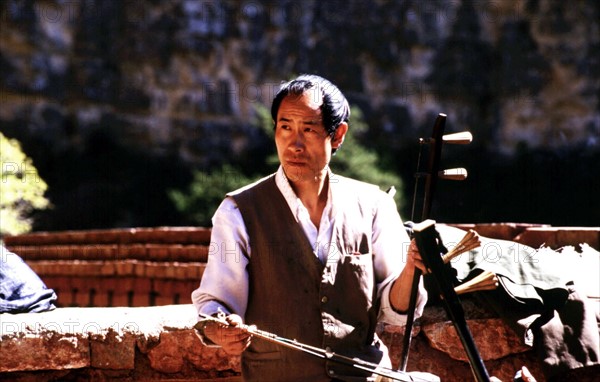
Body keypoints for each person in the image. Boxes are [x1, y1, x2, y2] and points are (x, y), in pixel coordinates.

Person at [191, 74, 429, 382]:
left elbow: (398, 310)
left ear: (338, 135)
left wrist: (412, 268)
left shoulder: (373, 205)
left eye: (309, 129)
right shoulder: (238, 211)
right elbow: (214, 304)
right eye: (285, 127)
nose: (295, 144)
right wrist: (220, 327)